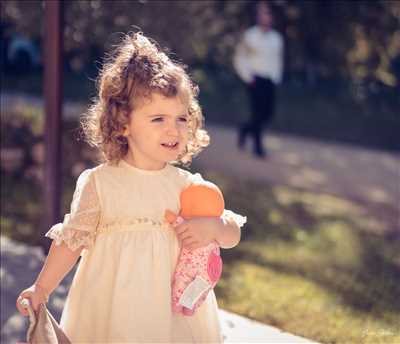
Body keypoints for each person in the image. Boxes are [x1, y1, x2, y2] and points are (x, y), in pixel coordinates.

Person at [15, 32, 246, 343]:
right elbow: (71, 241)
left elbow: (232, 234)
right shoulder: (100, 183)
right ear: (123, 123)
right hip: (112, 308)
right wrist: (41, 288)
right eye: (158, 118)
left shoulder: (187, 187)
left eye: (181, 118)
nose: (173, 128)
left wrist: (215, 227)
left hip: (170, 317)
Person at [234, 1, 284, 158]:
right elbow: (240, 57)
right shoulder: (250, 36)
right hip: (255, 79)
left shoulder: (276, 38)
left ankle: (245, 130)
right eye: (263, 14)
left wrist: (277, 78)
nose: (266, 17)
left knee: (267, 114)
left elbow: (278, 59)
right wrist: (247, 77)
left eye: (268, 14)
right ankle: (258, 147)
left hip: (270, 80)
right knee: (256, 113)